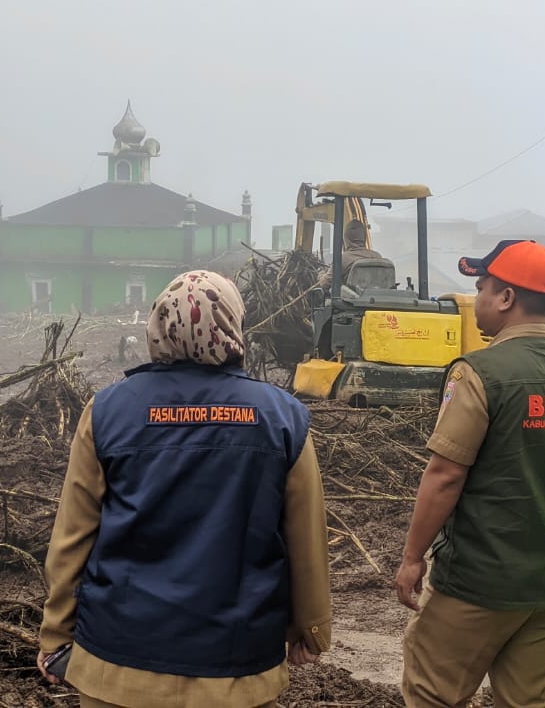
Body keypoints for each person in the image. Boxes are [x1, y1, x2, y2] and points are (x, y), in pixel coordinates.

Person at [37, 270, 331, 708]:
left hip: (118, 665)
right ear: (234, 324)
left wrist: (57, 632)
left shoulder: (107, 412)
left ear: (157, 324)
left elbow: (72, 538)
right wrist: (311, 628)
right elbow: (306, 539)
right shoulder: (282, 418)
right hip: (237, 669)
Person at [395, 239, 545, 708]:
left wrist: (413, 557)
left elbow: (445, 474)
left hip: (480, 582)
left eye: (482, 289)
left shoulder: (478, 373)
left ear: (507, 297)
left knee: (432, 692)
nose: (477, 298)